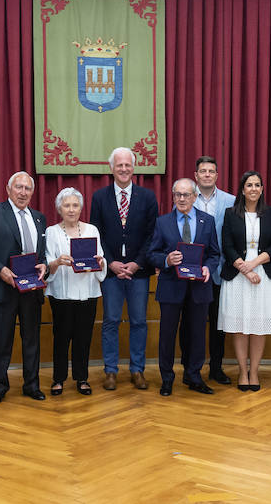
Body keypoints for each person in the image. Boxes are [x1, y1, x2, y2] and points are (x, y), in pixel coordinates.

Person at [0, 171, 49, 404]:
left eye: (27, 188)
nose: (23, 192)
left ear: (32, 192)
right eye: (19, 187)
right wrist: (1, 270)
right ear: (8, 189)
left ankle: (32, 385)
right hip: (2, 287)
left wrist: (44, 265)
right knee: (0, 340)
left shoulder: (39, 217)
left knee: (31, 340)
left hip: (31, 289)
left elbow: (42, 252)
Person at [144, 178, 221, 396]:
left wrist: (208, 268)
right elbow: (152, 254)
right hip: (171, 287)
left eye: (186, 195)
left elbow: (214, 254)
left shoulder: (208, 221)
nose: (182, 198)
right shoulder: (163, 222)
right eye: (177, 194)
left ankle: (193, 376)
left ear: (195, 197)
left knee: (197, 334)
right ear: (173, 196)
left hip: (199, 288)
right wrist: (167, 260)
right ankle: (167, 378)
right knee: (167, 335)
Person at [90, 147, 158, 391]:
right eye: (119, 165)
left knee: (139, 321)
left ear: (134, 167)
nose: (124, 169)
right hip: (111, 272)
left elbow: (152, 235)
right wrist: (111, 262)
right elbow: (95, 234)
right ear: (111, 168)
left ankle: (137, 370)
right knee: (110, 321)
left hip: (138, 272)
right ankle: (110, 371)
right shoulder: (99, 197)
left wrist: (137, 262)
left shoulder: (148, 197)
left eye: (128, 165)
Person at [218, 171, 271, 392]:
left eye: (257, 185)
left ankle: (254, 371)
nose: (253, 189)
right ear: (242, 189)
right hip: (238, 277)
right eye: (249, 185)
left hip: (264, 276)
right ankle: (242, 371)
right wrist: (245, 269)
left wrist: (253, 264)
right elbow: (227, 246)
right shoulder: (230, 214)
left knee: (258, 326)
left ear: (262, 189)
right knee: (240, 327)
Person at [44, 188, 106, 396]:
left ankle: (82, 378)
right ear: (59, 209)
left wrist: (100, 262)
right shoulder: (52, 231)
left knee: (83, 337)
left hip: (88, 292)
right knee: (61, 337)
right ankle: (58, 378)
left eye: (75, 205)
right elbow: (47, 264)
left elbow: (101, 260)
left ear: (81, 208)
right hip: (61, 293)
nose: (71, 210)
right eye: (67, 205)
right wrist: (57, 262)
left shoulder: (92, 230)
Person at [192, 156, 236, 384]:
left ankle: (216, 368)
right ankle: (193, 368)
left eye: (211, 171)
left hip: (222, 271)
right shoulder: (186, 198)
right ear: (196, 176)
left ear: (217, 176)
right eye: (203, 171)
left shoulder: (231, 201)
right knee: (195, 324)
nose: (207, 174)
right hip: (193, 273)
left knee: (219, 324)